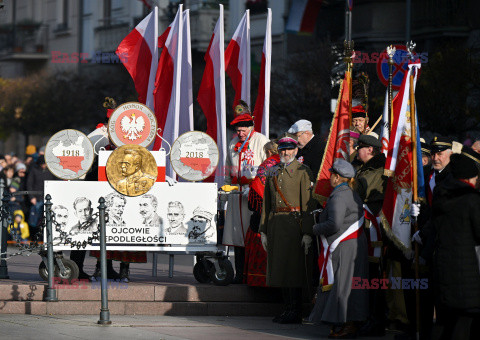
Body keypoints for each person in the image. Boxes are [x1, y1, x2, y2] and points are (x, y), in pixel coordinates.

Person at [307, 159, 368, 338]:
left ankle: (347, 323)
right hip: (352, 245)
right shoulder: (349, 192)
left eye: (332, 175)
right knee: (350, 285)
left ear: (337, 177)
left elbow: (334, 224)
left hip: (345, 247)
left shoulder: (340, 195)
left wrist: (316, 228)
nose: (330, 178)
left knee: (343, 285)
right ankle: (348, 322)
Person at [259, 134, 316, 324]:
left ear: (296, 150)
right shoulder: (273, 171)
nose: (286, 152)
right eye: (282, 149)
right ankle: (287, 308)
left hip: (294, 225)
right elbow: (267, 203)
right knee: (280, 269)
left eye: (289, 149)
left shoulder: (302, 171)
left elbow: (307, 204)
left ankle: (295, 310)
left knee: (293, 270)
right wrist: (264, 229)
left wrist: (307, 232)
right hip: (276, 225)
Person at [430, 153, 480, 339]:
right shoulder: (471, 199)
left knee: (445, 320)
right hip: (465, 270)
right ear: (468, 178)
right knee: (464, 321)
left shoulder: (441, 195)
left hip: (443, 265)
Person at [222, 101, 269, 283]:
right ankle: (239, 273)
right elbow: (228, 170)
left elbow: (269, 167)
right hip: (236, 195)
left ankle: (252, 274)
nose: (240, 134)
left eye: (243, 130)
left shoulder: (261, 141)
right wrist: (225, 192)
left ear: (251, 127)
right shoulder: (233, 143)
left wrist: (259, 189)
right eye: (238, 130)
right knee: (236, 236)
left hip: (254, 195)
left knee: (252, 234)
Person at [353, 133, 388, 336]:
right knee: (366, 277)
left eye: (360, 147)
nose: (357, 151)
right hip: (362, 228)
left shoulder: (379, 171)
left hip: (373, 229)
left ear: (370, 150)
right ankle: (367, 317)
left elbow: (377, 199)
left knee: (375, 278)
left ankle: (376, 320)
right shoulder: (364, 169)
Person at [245, 141, 280, 287]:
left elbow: (255, 195)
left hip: (262, 217)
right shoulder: (289, 164)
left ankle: (258, 280)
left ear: (269, 152)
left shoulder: (266, 165)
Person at [69, 197, 97, 280]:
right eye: (80, 211)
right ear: (75, 213)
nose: (84, 213)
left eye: (86, 209)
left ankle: (78, 270)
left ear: (91, 210)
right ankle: (76, 270)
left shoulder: (95, 225)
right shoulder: (73, 229)